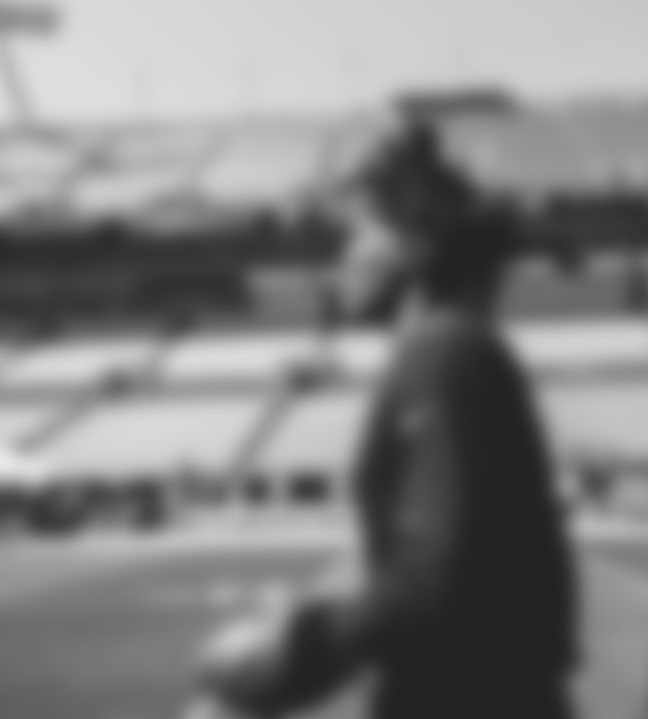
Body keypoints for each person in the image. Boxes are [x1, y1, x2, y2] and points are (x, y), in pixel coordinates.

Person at [198, 108, 581, 719]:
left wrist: (289, 656)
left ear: (414, 243)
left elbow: (436, 581)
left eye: (358, 233)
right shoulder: (454, 350)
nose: (343, 256)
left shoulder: (443, 352)